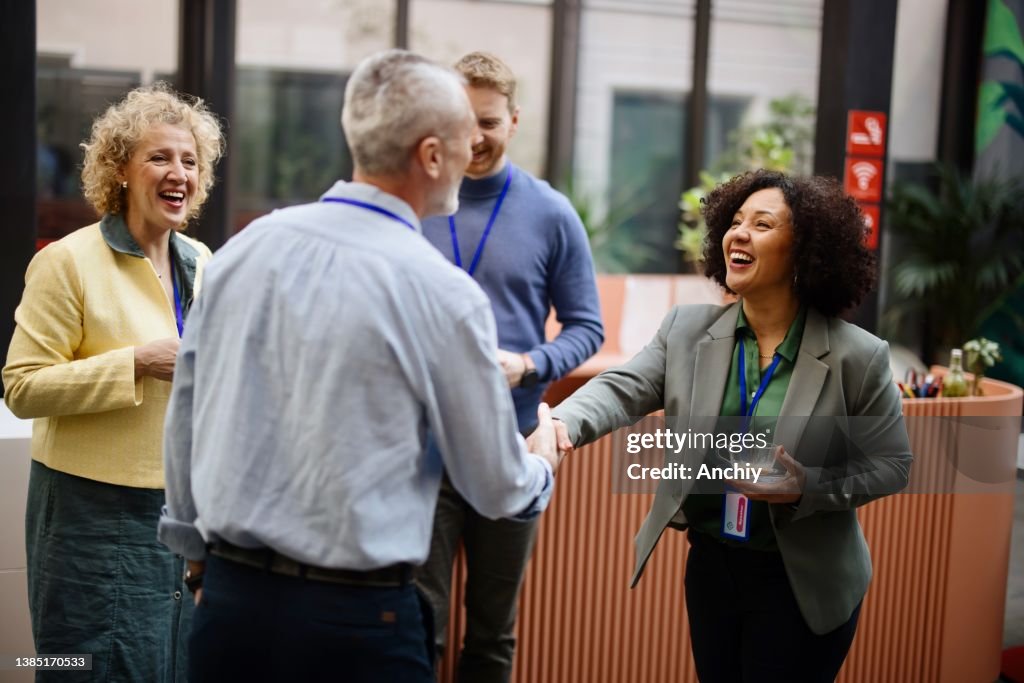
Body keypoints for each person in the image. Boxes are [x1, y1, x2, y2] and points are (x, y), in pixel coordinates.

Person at [156, 49, 563, 683]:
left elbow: (186, 413)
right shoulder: (445, 293)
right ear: (432, 155)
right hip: (358, 627)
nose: (470, 154)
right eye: (462, 141)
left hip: (231, 611)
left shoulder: (245, 249)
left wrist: (198, 564)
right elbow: (495, 486)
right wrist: (541, 462)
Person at [551, 169, 913, 682]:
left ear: (806, 249)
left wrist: (806, 487)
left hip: (803, 580)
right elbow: (620, 388)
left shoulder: (859, 355)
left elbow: (892, 465)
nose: (738, 234)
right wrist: (561, 423)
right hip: (713, 567)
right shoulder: (686, 330)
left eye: (762, 224)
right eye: (735, 221)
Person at [3, 82, 223, 681]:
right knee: (83, 666)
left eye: (190, 160)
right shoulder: (66, 261)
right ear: (119, 170)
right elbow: (22, 387)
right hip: (87, 515)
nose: (179, 172)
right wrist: (135, 363)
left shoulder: (204, 262)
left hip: (178, 512)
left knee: (170, 665)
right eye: (160, 157)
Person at [416, 51, 603, 682]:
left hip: (514, 443)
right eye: (462, 118)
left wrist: (529, 364)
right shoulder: (412, 200)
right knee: (420, 621)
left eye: (489, 122)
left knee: (493, 633)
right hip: (423, 448)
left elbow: (587, 329)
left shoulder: (551, 213)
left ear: (514, 121)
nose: (475, 136)